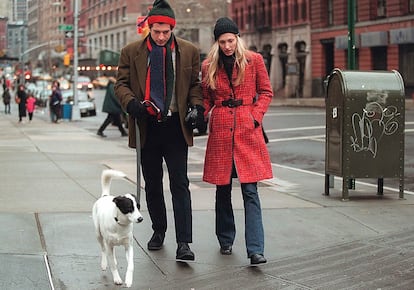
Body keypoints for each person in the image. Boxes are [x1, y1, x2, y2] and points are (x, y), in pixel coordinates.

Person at [115, 0, 204, 261]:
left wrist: (197, 107)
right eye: (157, 32)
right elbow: (120, 84)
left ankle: (184, 242)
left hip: (176, 126)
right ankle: (158, 230)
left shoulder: (188, 51)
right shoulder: (131, 51)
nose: (162, 36)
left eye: (166, 31)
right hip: (147, 127)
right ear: (149, 28)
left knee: (180, 185)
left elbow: (196, 85)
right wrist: (131, 103)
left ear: (172, 28)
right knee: (153, 185)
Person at [200, 17, 273, 265]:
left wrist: (255, 116)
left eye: (231, 40)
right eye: (223, 42)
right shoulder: (209, 65)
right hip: (221, 131)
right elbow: (207, 98)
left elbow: (266, 92)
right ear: (217, 42)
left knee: (250, 190)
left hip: (246, 128)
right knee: (222, 189)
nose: (228, 46)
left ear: (237, 38)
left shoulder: (254, 60)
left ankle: (256, 249)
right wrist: (199, 113)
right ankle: (226, 240)